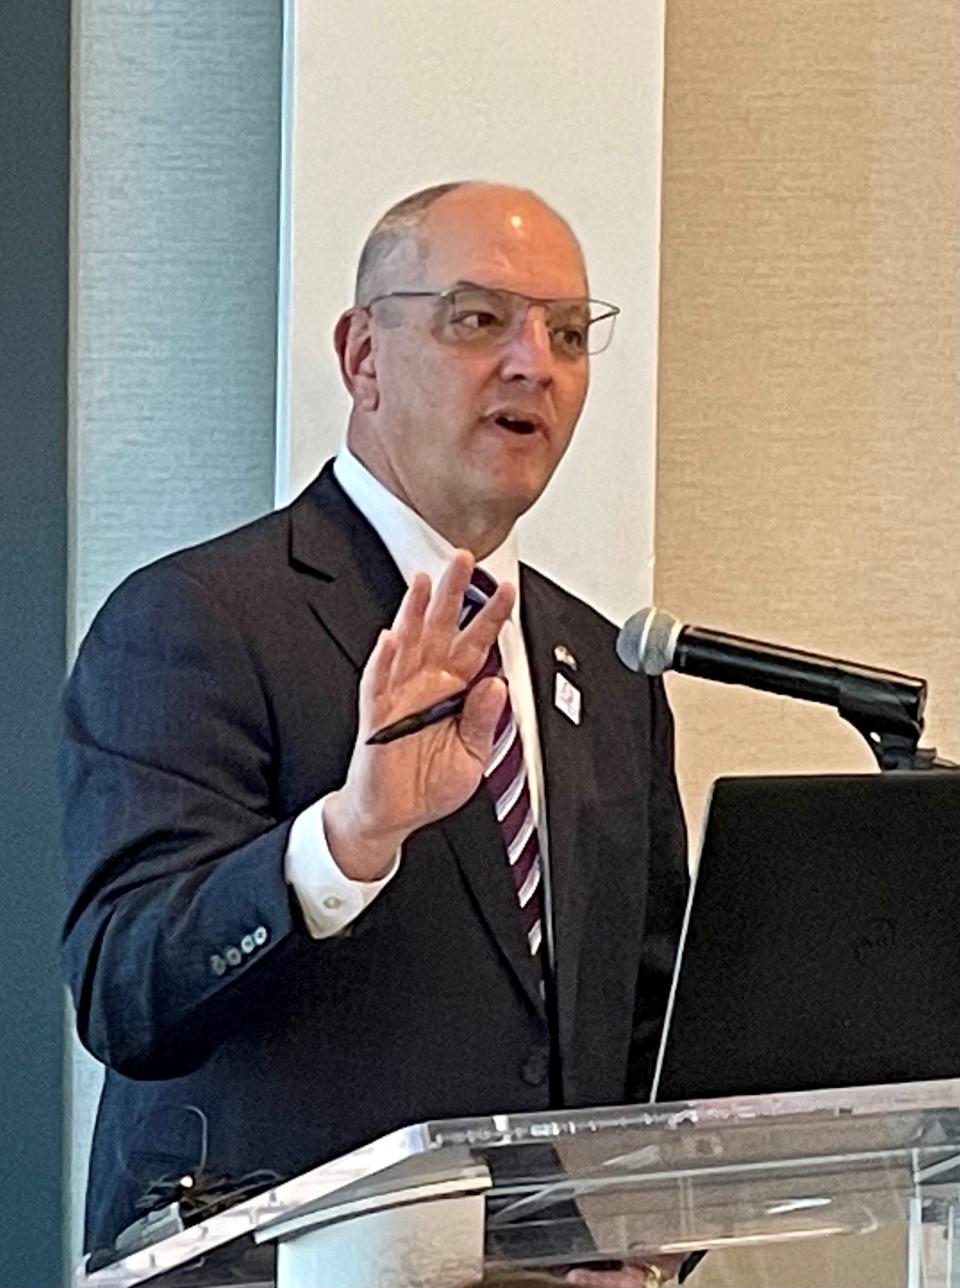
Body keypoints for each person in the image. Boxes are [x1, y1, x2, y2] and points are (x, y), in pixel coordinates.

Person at [61, 181, 689, 1268]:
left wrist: (653, 1234)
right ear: (361, 357)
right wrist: (344, 842)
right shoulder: (195, 620)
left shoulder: (610, 669)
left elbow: (650, 1022)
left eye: (570, 333)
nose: (534, 363)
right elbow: (126, 989)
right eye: (477, 319)